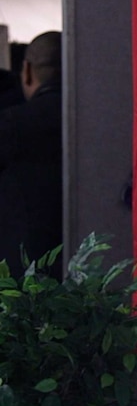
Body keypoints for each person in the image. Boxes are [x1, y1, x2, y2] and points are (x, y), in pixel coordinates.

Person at [0, 31, 63, 278]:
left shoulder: (11, 125)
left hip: (21, 279)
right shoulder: (108, 124)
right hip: (99, 272)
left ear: (26, 70)